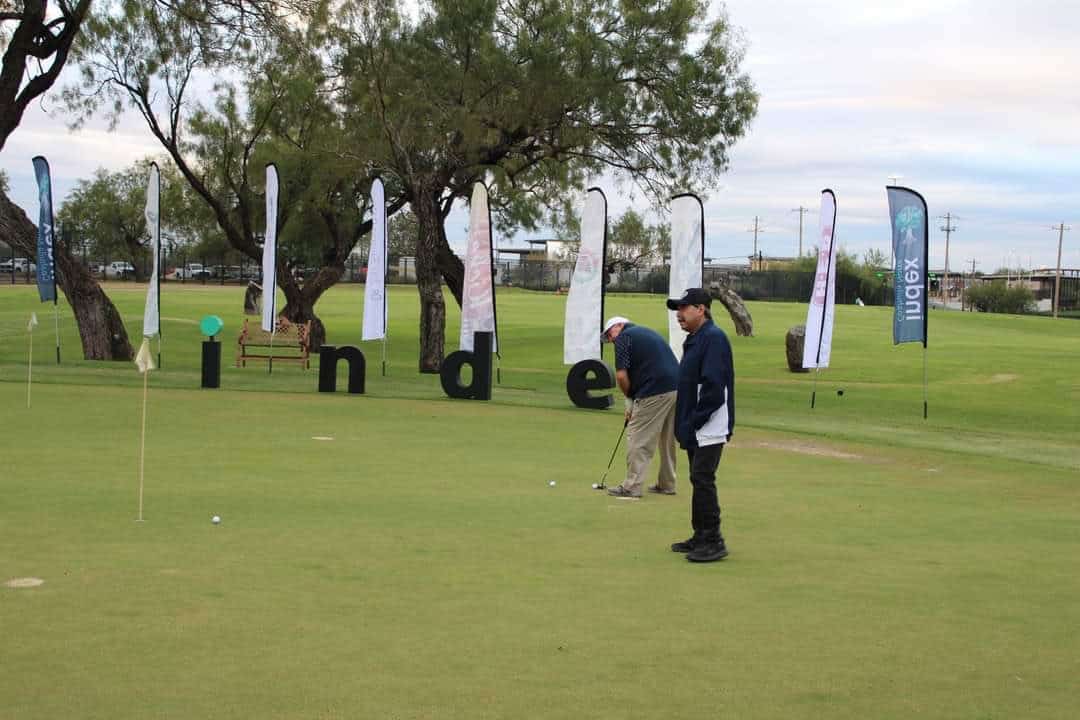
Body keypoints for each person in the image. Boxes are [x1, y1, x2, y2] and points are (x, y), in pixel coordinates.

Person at [665, 288, 735, 562]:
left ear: (701, 309)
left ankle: (714, 539)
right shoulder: (695, 339)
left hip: (710, 423)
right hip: (696, 424)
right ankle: (701, 534)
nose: (679, 314)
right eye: (678, 309)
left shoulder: (713, 339)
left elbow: (714, 389)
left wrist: (694, 420)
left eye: (684, 308)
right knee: (698, 477)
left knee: (703, 478)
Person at [601, 316, 680, 498]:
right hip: (676, 387)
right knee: (667, 438)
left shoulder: (624, 338)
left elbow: (621, 376)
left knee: (638, 436)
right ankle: (667, 484)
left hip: (654, 389)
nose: (611, 339)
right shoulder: (646, 332)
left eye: (610, 333)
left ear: (619, 325)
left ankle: (632, 486)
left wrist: (629, 400)